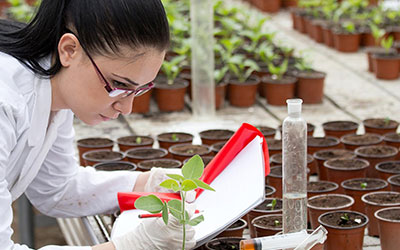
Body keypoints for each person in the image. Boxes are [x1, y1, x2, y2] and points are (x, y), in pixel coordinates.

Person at [0, 0, 196, 249]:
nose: (126, 108)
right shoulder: (4, 101)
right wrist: (128, 246)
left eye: (139, 90)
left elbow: (57, 189)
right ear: (69, 50)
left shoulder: (56, 87)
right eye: (118, 85)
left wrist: (146, 183)